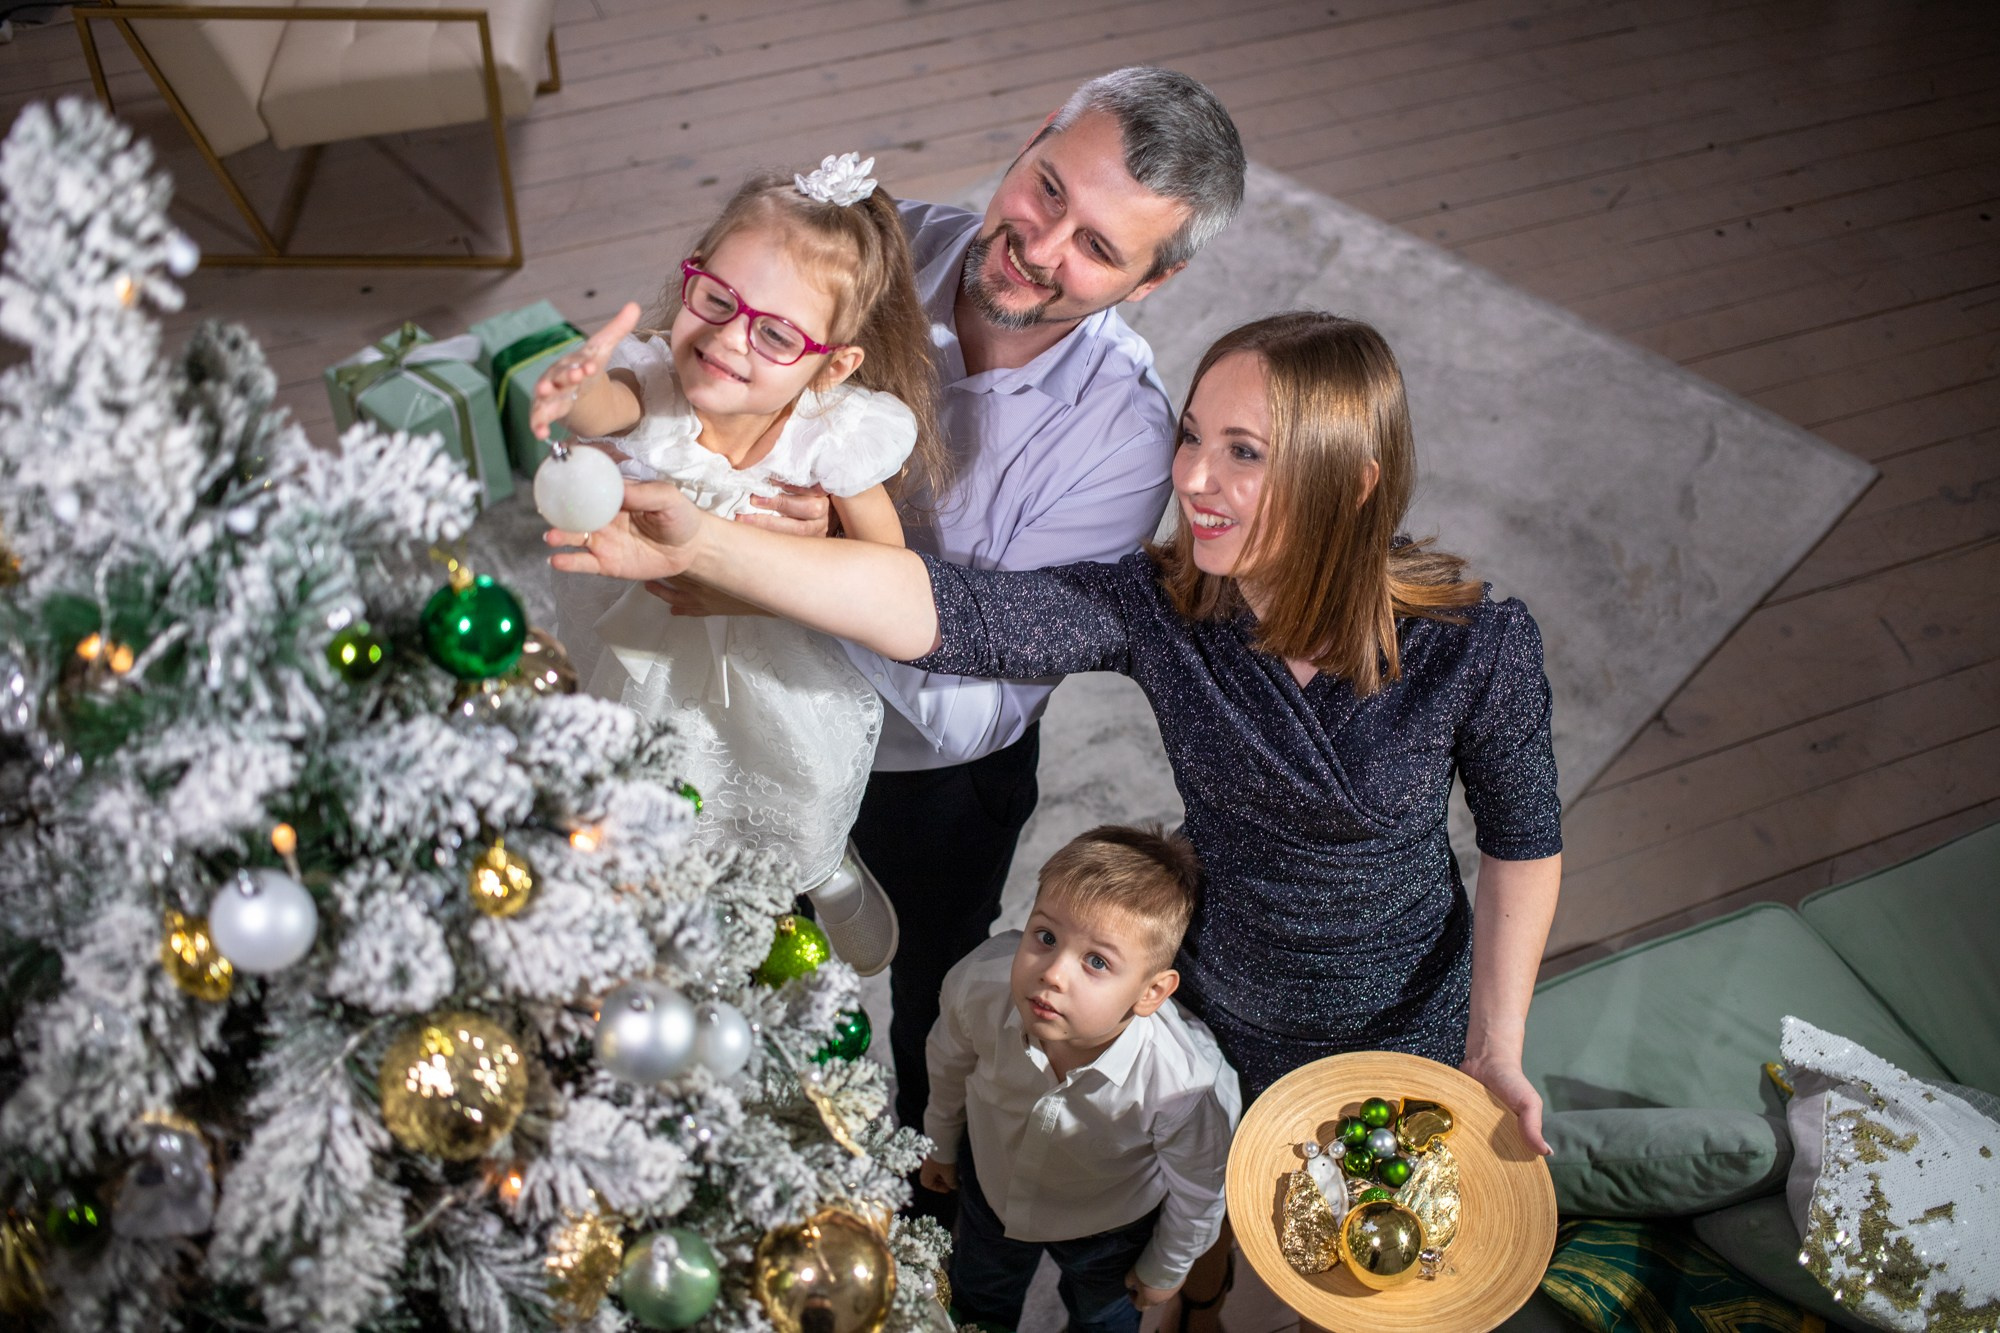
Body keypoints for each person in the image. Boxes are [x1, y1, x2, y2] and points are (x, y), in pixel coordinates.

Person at [547, 310, 1564, 1324]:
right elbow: (954, 616)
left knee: (1355, 1283)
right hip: (1210, 1000)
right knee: (1205, 1207)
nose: (1192, 478)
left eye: (1243, 452)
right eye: (1191, 436)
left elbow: (1521, 841)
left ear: (1353, 479)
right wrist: (708, 544)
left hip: (1395, 1026)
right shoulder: (1167, 608)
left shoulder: (1475, 646)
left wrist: (1496, 1046)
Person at [651, 67, 1247, 1152]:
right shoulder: (871, 256)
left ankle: (917, 1158)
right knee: (733, 948)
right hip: (743, 701)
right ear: (1033, 135)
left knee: (935, 989)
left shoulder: (1121, 443)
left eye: (1097, 246)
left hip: (926, 784)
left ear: (1152, 281)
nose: (1038, 247)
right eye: (1047, 188)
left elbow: (973, 714)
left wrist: (802, 568)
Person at [530, 153, 946, 902]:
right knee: (641, 767)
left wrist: (758, 588)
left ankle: (812, 873)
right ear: (693, 273)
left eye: (777, 336)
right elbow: (603, 407)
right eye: (718, 299)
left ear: (832, 367)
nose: (728, 339)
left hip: (776, 658)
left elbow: (886, 574)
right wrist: (574, 384)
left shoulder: (832, 434)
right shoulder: (653, 385)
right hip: (647, 645)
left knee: (789, 778)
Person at [919, 824, 1239, 1333]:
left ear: (1152, 993)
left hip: (1107, 1228)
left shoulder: (1182, 1084)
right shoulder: (978, 985)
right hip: (993, 1185)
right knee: (979, 1297)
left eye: (1096, 961)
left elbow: (1200, 1190)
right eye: (1045, 937)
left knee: (1102, 1320)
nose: (1052, 972)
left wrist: (1165, 1267)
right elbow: (947, 1062)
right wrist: (939, 1140)